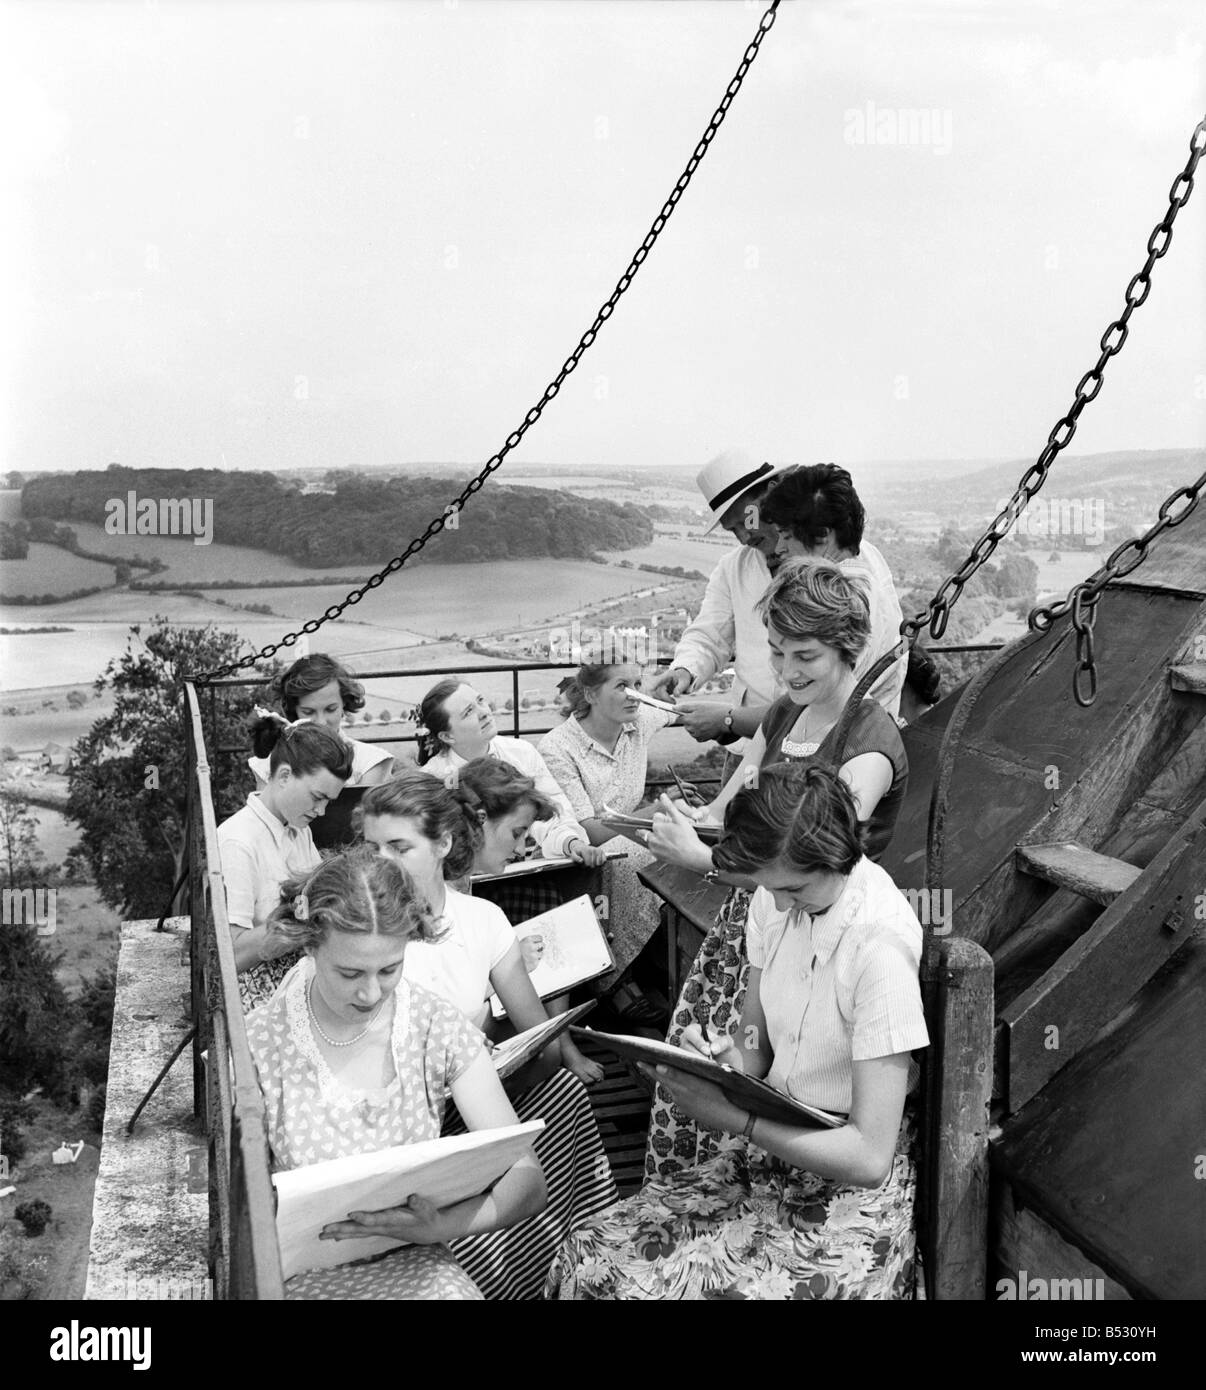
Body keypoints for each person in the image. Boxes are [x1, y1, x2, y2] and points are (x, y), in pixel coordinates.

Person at [546, 765, 929, 1301]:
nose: (779, 904)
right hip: (769, 1157)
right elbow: (756, 1040)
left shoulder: (879, 950)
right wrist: (722, 1059)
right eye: (769, 888)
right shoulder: (772, 901)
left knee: (649, 1290)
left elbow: (868, 1158)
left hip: (843, 1197)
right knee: (591, 1250)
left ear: (840, 856)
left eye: (794, 889)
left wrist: (736, 1118)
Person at [642, 559, 908, 1174]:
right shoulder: (786, 712)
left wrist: (702, 857)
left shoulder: (867, 742)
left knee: (789, 1069)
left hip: (818, 921)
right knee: (728, 1061)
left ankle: (767, 1169)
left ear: (849, 648)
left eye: (805, 656)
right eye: (777, 652)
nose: (788, 671)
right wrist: (697, 816)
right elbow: (739, 798)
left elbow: (813, 856)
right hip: (760, 912)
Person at [243, 844, 547, 1300]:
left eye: (390, 969)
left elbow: (527, 1178)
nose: (370, 993)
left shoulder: (433, 1024)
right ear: (309, 946)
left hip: (419, 1268)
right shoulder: (261, 1039)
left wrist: (441, 1225)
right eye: (349, 973)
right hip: (296, 1280)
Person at [359, 772, 618, 1300]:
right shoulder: (365, 937)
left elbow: (534, 1028)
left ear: (444, 844)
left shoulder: (482, 919)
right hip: (408, 1111)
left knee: (565, 1093)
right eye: (373, 847)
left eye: (399, 846)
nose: (381, 861)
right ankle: (498, 1271)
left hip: (478, 1086)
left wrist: (496, 1042)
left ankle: (574, 1255)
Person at [537, 661, 676, 1020]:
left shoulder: (638, 720)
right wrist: (656, 810)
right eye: (621, 686)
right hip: (578, 849)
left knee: (680, 848)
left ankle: (668, 969)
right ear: (590, 694)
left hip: (631, 837)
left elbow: (679, 711)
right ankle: (614, 981)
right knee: (636, 854)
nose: (633, 694)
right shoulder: (558, 746)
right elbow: (590, 831)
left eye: (637, 684)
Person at [650, 448, 792, 753]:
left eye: (747, 520)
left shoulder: (838, 562)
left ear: (774, 494)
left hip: (814, 743)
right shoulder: (734, 567)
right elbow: (710, 635)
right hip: (749, 745)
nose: (743, 537)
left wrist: (727, 720)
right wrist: (684, 671)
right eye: (732, 529)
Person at [218, 718, 352, 1011]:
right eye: (318, 797)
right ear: (284, 776)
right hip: (258, 993)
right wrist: (303, 915)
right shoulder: (237, 842)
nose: (322, 811)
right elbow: (231, 955)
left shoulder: (298, 827)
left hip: (299, 973)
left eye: (329, 801)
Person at [760, 463, 907, 719]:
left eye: (786, 535)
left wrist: (729, 720)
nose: (779, 549)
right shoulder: (864, 583)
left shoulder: (839, 600)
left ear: (822, 536)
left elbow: (806, 707)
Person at [415, 677, 606, 868]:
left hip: (526, 869)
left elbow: (552, 811)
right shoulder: (433, 779)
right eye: (468, 712)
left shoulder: (521, 752)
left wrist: (572, 843)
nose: (483, 713)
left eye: (480, 701)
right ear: (447, 736)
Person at [248, 653, 395, 790]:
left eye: (330, 709)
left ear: (344, 703)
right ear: (295, 711)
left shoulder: (370, 763)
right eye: (308, 712)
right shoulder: (268, 765)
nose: (321, 722)